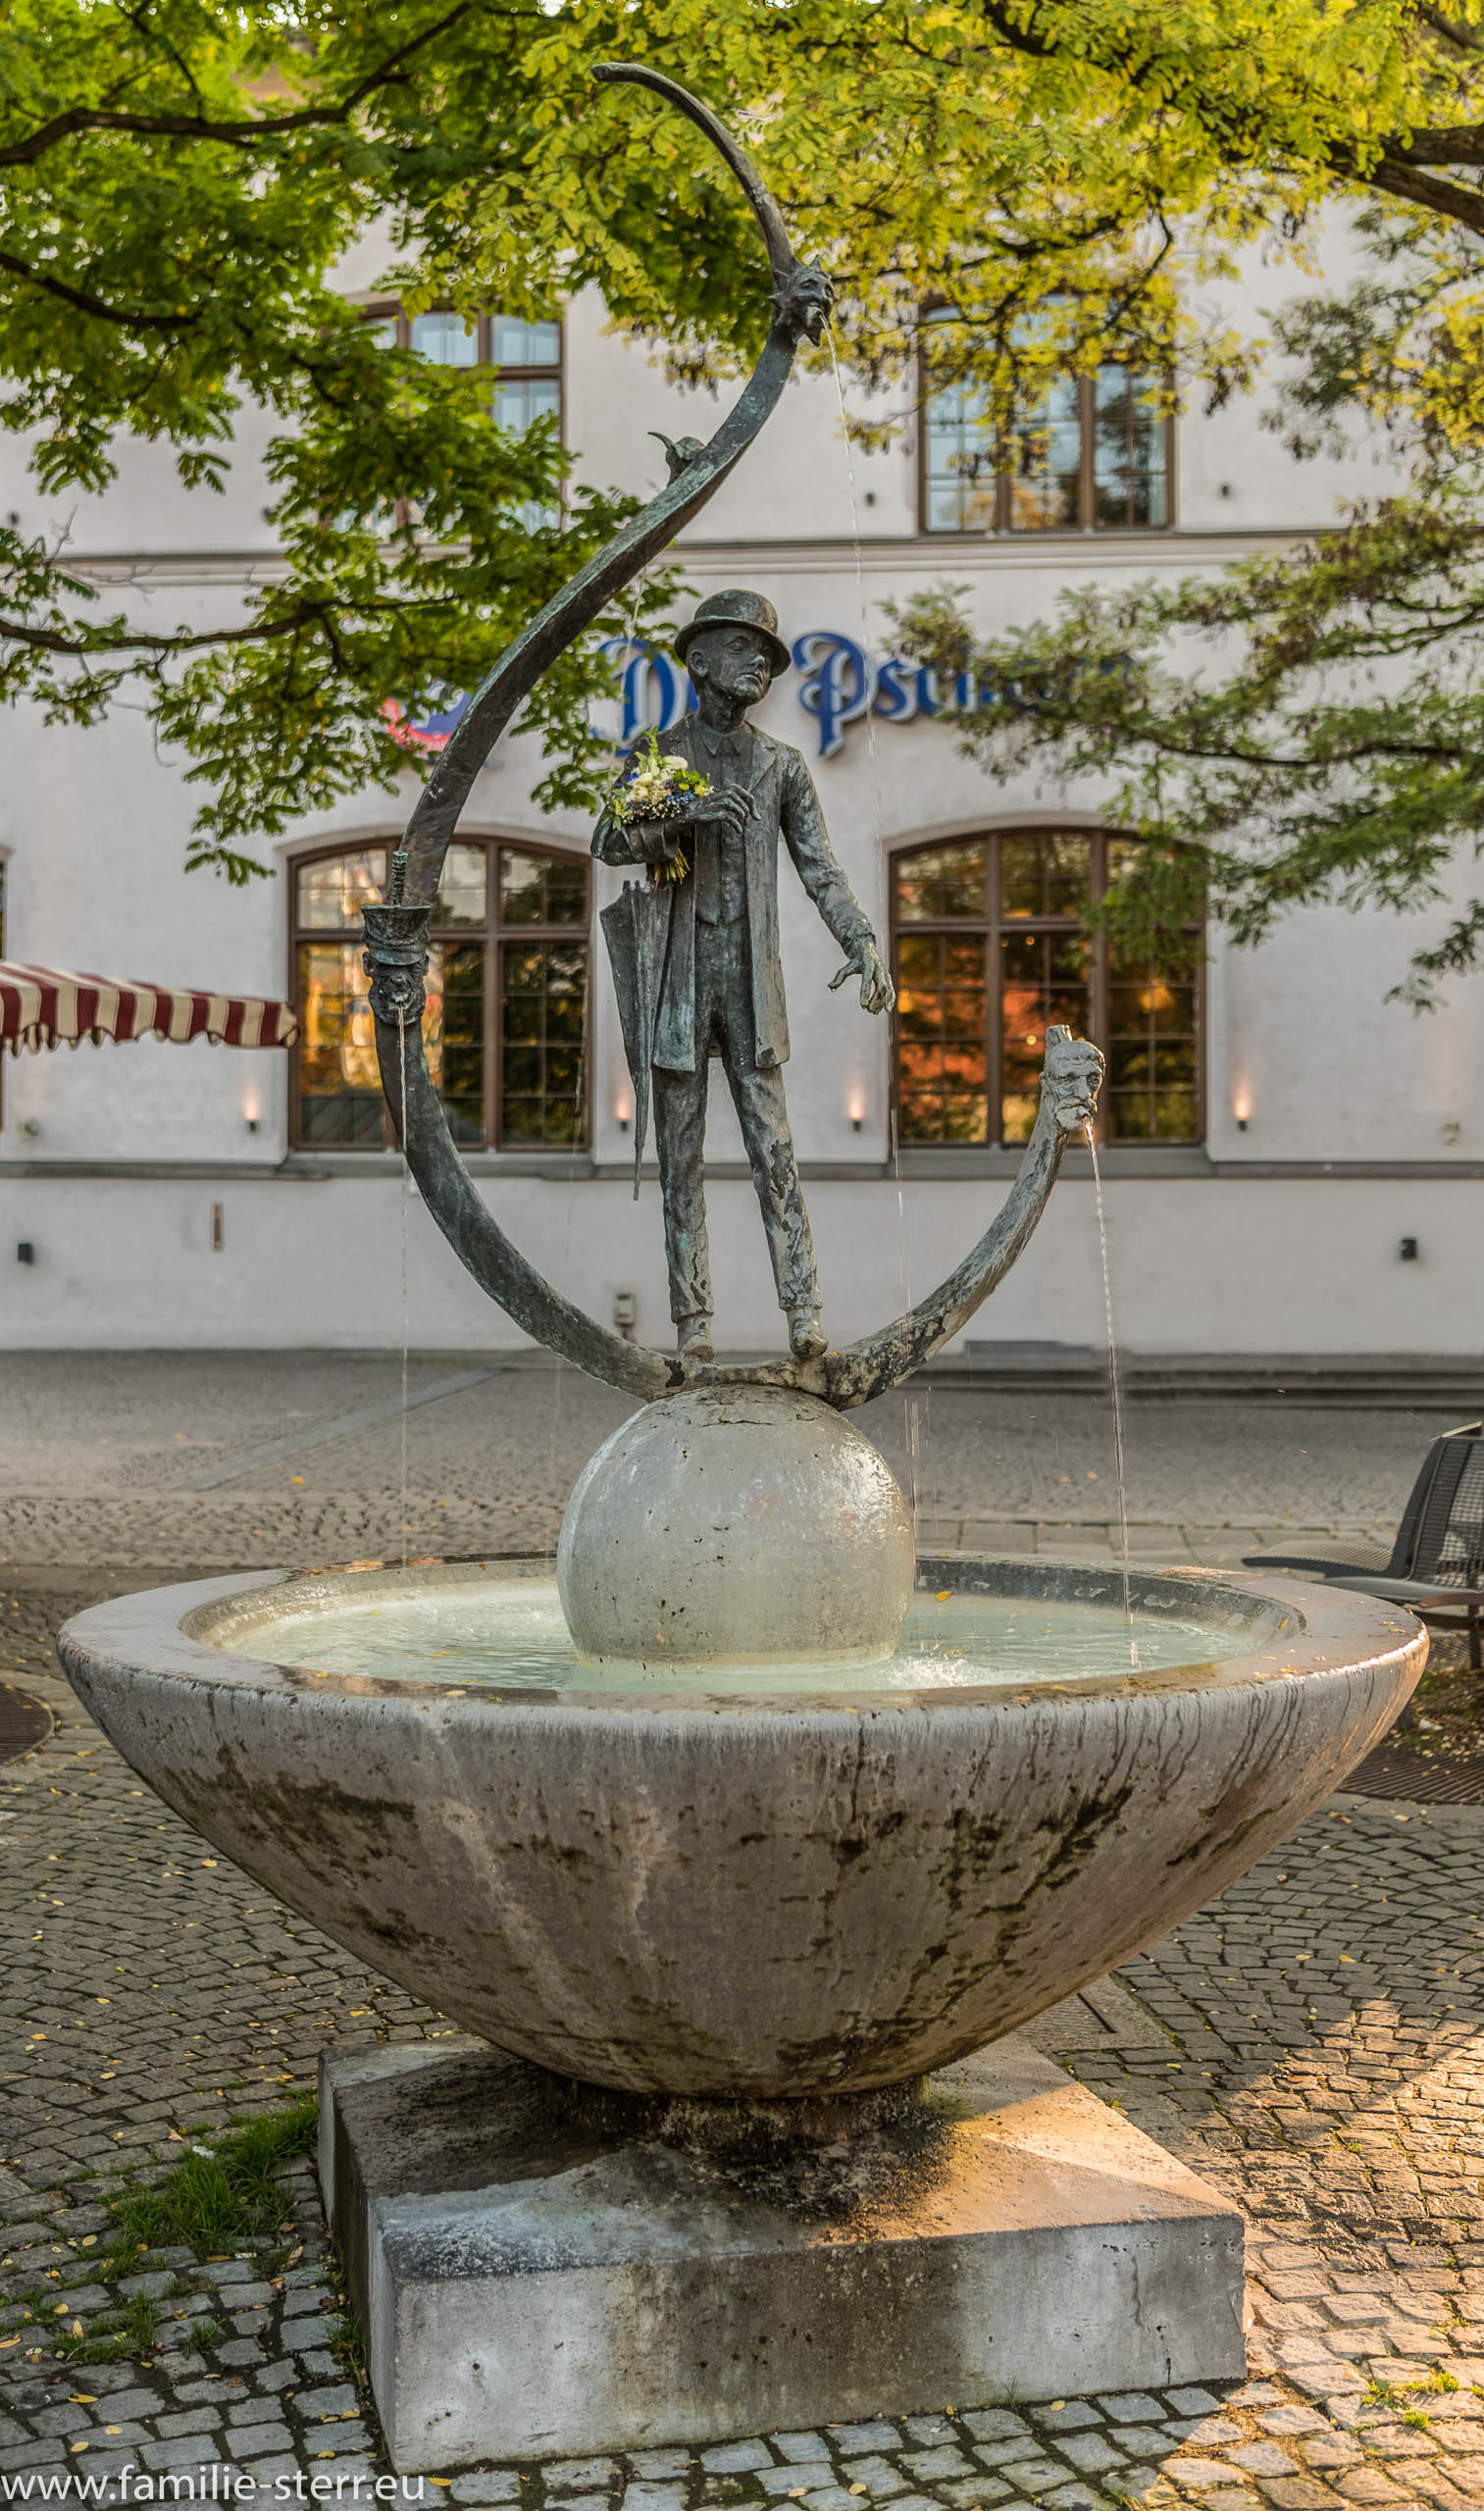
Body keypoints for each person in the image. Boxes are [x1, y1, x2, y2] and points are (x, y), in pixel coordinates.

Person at [593, 589, 894, 1362]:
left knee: (774, 1151)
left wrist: (859, 938)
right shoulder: (659, 754)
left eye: (766, 653)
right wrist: (681, 819)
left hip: (751, 986)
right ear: (698, 660)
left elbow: (819, 868)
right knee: (680, 1159)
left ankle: (803, 1311)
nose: (759, 660)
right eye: (741, 647)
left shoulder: (781, 766)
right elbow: (607, 841)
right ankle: (693, 1322)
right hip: (680, 980)